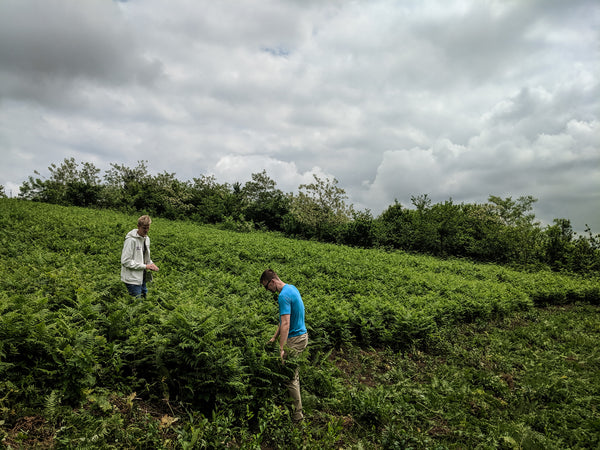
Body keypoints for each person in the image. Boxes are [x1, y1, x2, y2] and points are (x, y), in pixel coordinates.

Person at [260, 269, 308, 422]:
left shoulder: (283, 296)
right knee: (293, 373)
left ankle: (297, 417)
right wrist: (274, 337)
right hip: (302, 336)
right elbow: (283, 320)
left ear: (272, 282)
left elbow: (286, 324)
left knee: (290, 377)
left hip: (294, 339)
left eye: (267, 287)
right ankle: (291, 406)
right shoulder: (292, 288)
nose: (268, 291)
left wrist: (282, 349)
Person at [121, 215, 159, 298]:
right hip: (132, 279)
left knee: (144, 300)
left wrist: (151, 264)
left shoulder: (146, 239)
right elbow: (125, 261)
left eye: (148, 228)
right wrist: (146, 266)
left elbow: (144, 257)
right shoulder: (131, 240)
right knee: (137, 305)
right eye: (144, 228)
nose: (146, 230)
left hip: (142, 277)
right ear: (138, 226)